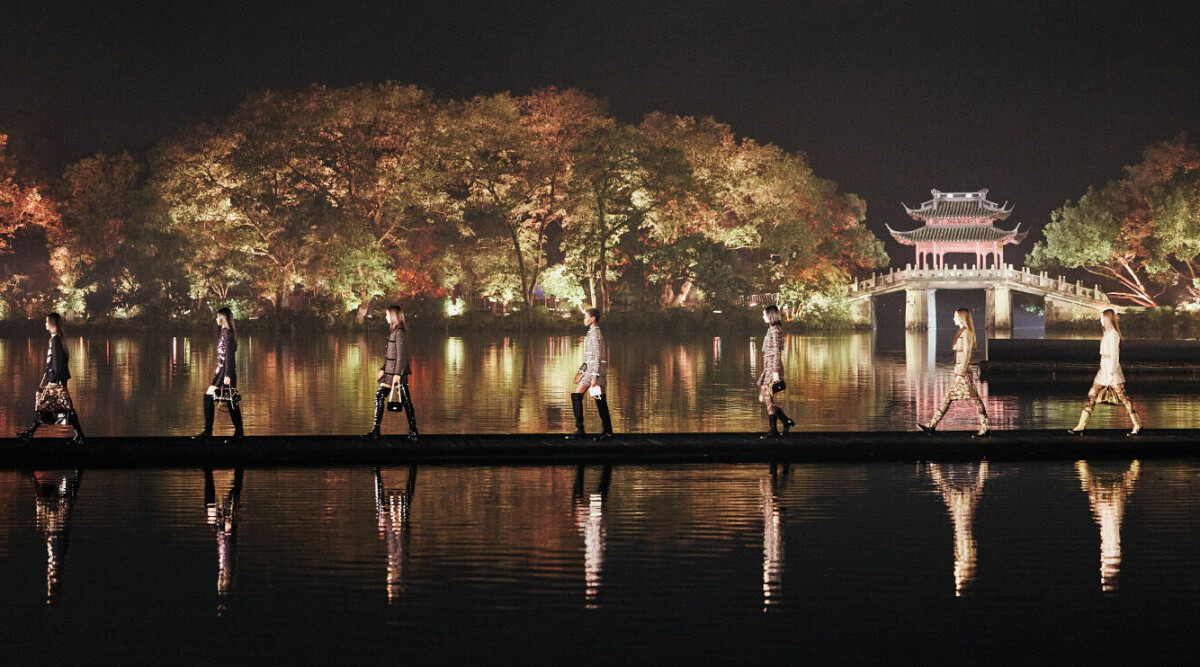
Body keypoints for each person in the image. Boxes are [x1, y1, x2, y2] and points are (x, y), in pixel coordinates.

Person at [1067, 309, 1142, 436]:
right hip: (1104, 370)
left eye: (1103, 318)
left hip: (1111, 371)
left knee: (1124, 398)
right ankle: (1081, 426)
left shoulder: (1113, 334)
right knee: (1092, 394)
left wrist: (1112, 372)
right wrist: (1104, 370)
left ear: (1108, 318)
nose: (1101, 320)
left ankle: (1137, 425)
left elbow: (1114, 355)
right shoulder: (1107, 333)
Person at [919, 308, 990, 437]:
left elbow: (967, 354)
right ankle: (931, 425)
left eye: (955, 316)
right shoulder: (961, 332)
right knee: (949, 398)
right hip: (958, 371)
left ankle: (985, 428)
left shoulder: (967, 333)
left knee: (974, 399)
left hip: (962, 373)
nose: (953, 319)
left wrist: (961, 373)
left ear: (962, 318)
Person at [17, 313, 85, 444]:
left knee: (50, 406)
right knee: (59, 406)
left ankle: (30, 433)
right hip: (58, 378)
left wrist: (53, 381)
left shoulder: (56, 340)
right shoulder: (57, 339)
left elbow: (57, 363)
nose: (45, 324)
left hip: (56, 379)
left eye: (47, 322)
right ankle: (30, 433)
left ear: (52, 323)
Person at [365, 305, 418, 441]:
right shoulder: (395, 332)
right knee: (398, 399)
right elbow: (391, 355)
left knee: (395, 399)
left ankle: (411, 431)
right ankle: (378, 430)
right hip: (390, 372)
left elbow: (401, 356)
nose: (386, 317)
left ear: (393, 316)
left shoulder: (400, 332)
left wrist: (398, 374)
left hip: (395, 373)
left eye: (388, 315)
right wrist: (383, 368)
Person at [193, 307, 244, 442]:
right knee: (229, 401)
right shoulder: (225, 332)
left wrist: (227, 375)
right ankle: (237, 433)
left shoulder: (228, 333)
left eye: (217, 317)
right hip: (222, 372)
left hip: (225, 372)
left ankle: (209, 433)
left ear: (222, 318)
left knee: (214, 398)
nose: (216, 319)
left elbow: (229, 356)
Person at [567, 308, 614, 440]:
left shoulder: (595, 334)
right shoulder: (592, 332)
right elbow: (590, 356)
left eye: (586, 317)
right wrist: (581, 372)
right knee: (594, 399)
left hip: (595, 372)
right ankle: (603, 430)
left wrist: (595, 376)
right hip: (591, 371)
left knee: (585, 398)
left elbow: (598, 355)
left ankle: (586, 429)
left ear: (592, 319)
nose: (584, 319)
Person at [758, 305, 795, 438]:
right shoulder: (772, 329)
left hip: (773, 368)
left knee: (768, 398)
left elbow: (776, 351)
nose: (762, 317)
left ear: (770, 315)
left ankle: (773, 429)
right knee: (763, 398)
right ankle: (786, 421)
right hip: (768, 367)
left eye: (764, 314)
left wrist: (775, 371)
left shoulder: (775, 330)